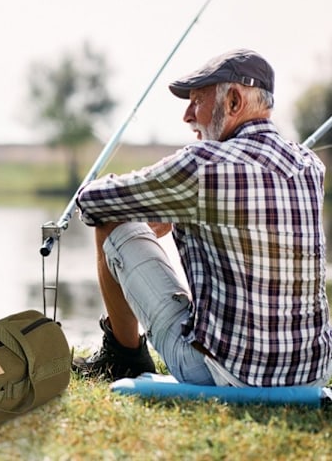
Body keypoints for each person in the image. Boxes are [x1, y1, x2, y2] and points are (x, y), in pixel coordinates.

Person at [73, 48, 332, 387]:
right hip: (309, 376)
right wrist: (179, 214)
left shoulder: (202, 164)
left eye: (196, 101)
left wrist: (159, 209)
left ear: (234, 102)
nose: (187, 115)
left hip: (225, 374)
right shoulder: (310, 165)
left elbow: (93, 202)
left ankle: (123, 358)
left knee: (114, 220)